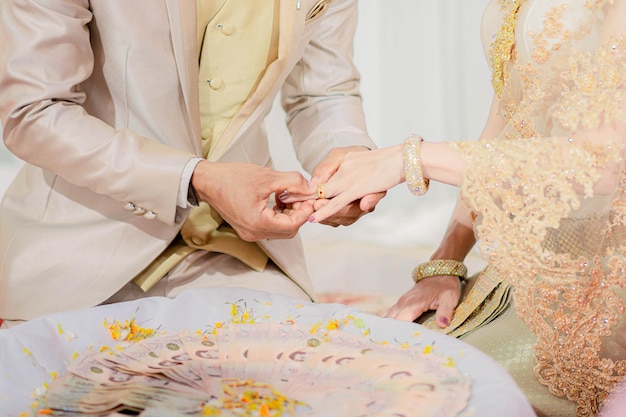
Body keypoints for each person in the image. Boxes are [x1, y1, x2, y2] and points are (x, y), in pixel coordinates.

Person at [283, 0, 626, 415]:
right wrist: (445, 265)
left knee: (423, 392)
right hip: (521, 266)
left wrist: (409, 159)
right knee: (356, 370)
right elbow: (505, 127)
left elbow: (603, 164)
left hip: (599, 287)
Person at [0, 0, 384, 324]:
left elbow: (321, 94)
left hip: (239, 252)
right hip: (80, 252)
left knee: (291, 384)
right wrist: (195, 179)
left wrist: (348, 158)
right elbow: (33, 112)